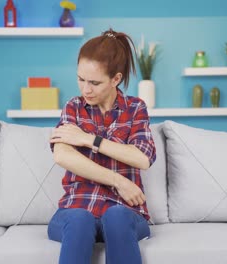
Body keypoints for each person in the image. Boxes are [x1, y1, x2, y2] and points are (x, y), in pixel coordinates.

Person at [48, 28, 157, 264]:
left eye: (94, 82)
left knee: (116, 215)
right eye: (80, 79)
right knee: (80, 219)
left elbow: (142, 158)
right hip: (76, 207)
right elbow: (63, 155)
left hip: (125, 211)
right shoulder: (73, 108)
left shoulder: (135, 108)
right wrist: (118, 180)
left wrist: (89, 139)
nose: (85, 89)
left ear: (116, 79)